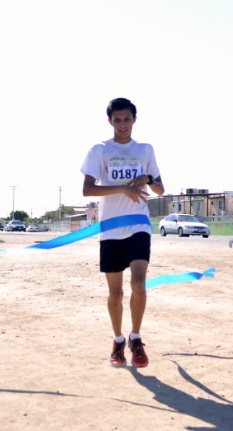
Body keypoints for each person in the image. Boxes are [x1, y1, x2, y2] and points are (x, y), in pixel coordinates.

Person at [81, 98, 164, 368]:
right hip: (111, 229)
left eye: (127, 119)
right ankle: (118, 341)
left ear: (134, 119)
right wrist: (122, 188)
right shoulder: (99, 150)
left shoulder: (145, 149)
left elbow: (161, 189)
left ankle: (135, 337)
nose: (122, 124)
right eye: (117, 120)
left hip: (139, 223)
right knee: (115, 294)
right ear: (110, 122)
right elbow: (88, 190)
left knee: (138, 284)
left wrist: (148, 179)